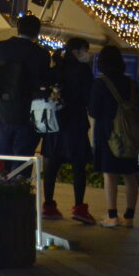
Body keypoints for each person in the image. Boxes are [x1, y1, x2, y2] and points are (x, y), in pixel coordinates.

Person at [89, 45, 139, 228]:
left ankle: (112, 215)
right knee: (130, 175)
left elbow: (93, 110)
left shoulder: (100, 83)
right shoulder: (130, 83)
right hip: (130, 136)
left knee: (110, 175)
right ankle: (129, 216)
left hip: (108, 135)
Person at [41, 38, 96, 224]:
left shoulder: (56, 69)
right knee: (78, 166)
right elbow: (89, 98)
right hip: (76, 123)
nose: (87, 53)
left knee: (52, 165)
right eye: (85, 49)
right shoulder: (83, 71)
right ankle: (79, 208)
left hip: (54, 124)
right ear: (76, 51)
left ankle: (48, 206)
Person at [0, 15, 51, 174]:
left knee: (3, 158)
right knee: (23, 159)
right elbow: (43, 81)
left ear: (18, 28)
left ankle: (1, 192)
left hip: (3, 109)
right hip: (27, 112)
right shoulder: (41, 54)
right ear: (37, 32)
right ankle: (19, 193)